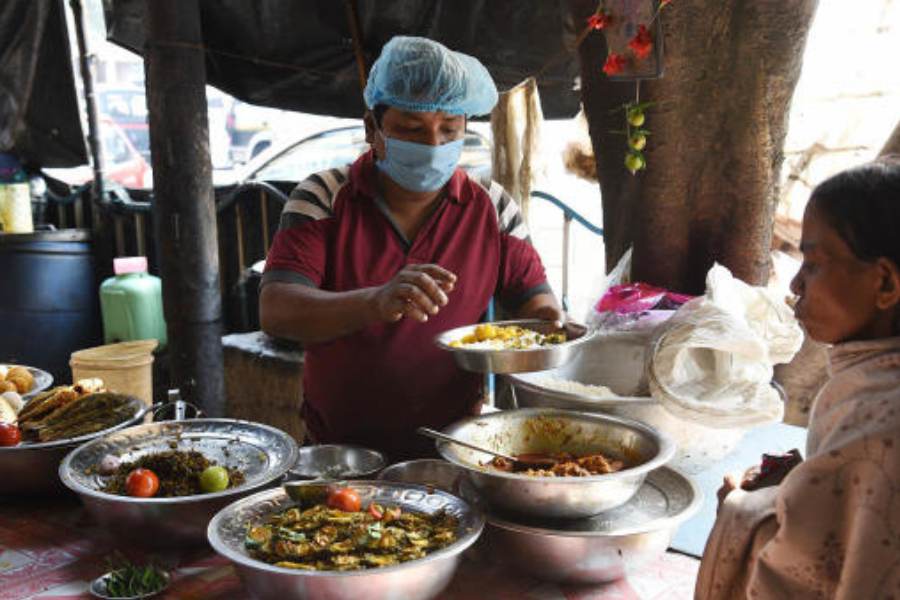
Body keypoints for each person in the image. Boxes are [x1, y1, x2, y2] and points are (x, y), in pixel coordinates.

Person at [259, 36, 562, 460]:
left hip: (457, 450)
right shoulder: (323, 196)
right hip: (342, 454)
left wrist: (550, 326)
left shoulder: (493, 208)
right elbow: (277, 310)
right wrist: (375, 302)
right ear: (373, 129)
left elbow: (538, 304)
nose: (433, 144)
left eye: (449, 130)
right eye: (411, 129)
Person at [696, 158, 900, 599]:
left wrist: (742, 508)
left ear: (885, 283)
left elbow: (810, 570)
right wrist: (802, 483)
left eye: (813, 264)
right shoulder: (867, 386)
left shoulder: (879, 420)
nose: (795, 284)